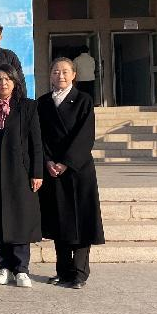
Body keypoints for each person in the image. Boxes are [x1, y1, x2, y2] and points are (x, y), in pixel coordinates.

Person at [37, 57, 104, 290]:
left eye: (65, 71)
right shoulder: (43, 102)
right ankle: (63, 271)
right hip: (53, 170)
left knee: (81, 221)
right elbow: (39, 136)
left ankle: (80, 272)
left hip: (78, 169)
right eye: (56, 71)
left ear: (74, 75)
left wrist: (66, 162)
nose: (60, 76)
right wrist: (47, 161)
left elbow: (85, 135)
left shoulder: (84, 100)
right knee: (60, 221)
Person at [0, 64, 43, 288]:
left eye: (7, 79)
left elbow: (36, 142)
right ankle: (3, 266)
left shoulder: (27, 106)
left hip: (20, 172)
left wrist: (37, 172)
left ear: (15, 81)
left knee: (20, 219)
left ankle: (22, 268)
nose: (3, 83)